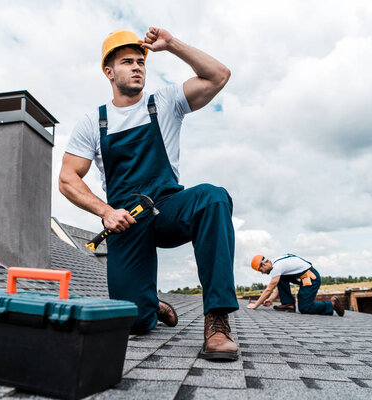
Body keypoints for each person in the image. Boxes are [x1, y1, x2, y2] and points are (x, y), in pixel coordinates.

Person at [59, 28, 239, 360]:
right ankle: (150, 304)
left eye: (141, 61)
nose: (137, 67)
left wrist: (171, 45)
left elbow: (218, 76)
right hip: (125, 221)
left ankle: (217, 320)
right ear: (109, 72)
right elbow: (68, 178)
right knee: (134, 323)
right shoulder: (93, 123)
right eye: (127, 62)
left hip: (167, 210)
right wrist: (105, 211)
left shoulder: (166, 103)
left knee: (213, 197)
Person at [246, 254, 345, 316]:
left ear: (263, 265)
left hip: (311, 279)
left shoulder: (277, 266)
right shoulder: (276, 264)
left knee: (305, 308)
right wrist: (271, 299)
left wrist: (255, 305)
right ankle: (288, 304)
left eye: (261, 271)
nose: (262, 273)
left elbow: (269, 289)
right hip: (305, 279)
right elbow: (279, 284)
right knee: (281, 278)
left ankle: (332, 304)